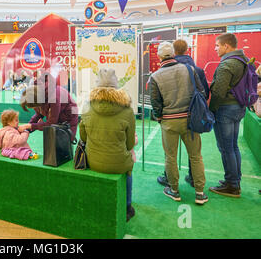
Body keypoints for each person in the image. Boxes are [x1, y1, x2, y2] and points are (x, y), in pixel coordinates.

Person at [150, 42, 208, 205]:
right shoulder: (189, 69)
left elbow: (156, 103)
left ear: (160, 56)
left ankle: (174, 190)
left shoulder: (155, 76)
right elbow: (201, 92)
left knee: (170, 157)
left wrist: (160, 118)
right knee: (196, 156)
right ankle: (200, 193)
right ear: (173, 54)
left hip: (169, 122)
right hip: (190, 120)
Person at [79, 68, 137, 221]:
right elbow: (130, 143)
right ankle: (127, 207)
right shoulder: (127, 110)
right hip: (118, 163)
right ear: (116, 85)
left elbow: (83, 138)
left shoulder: (87, 106)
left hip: (93, 161)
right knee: (129, 170)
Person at [208, 33, 250, 198]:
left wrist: (211, 110)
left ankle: (232, 185)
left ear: (226, 46)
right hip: (238, 107)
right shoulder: (243, 60)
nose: (216, 48)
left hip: (225, 109)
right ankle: (234, 181)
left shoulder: (227, 64)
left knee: (226, 148)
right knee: (232, 147)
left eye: (218, 45)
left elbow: (219, 91)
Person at [19, 73, 78, 142]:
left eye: (33, 106)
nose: (33, 109)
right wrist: (27, 129)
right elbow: (38, 114)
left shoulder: (54, 98)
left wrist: (30, 126)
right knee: (52, 142)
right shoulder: (37, 94)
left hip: (68, 116)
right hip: (58, 114)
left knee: (64, 142)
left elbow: (51, 123)